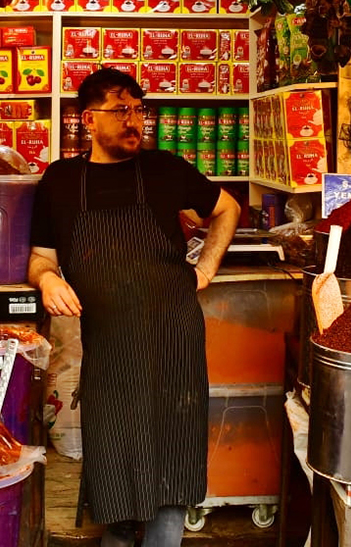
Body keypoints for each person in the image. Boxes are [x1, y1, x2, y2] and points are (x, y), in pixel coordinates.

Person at [28, 68, 241, 547]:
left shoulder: (166, 168)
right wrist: (46, 280)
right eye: (121, 109)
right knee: (114, 445)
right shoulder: (61, 180)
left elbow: (227, 209)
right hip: (109, 340)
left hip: (173, 332)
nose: (134, 120)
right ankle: (120, 534)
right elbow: (42, 258)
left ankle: (165, 539)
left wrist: (205, 269)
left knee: (173, 443)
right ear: (89, 119)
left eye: (139, 109)